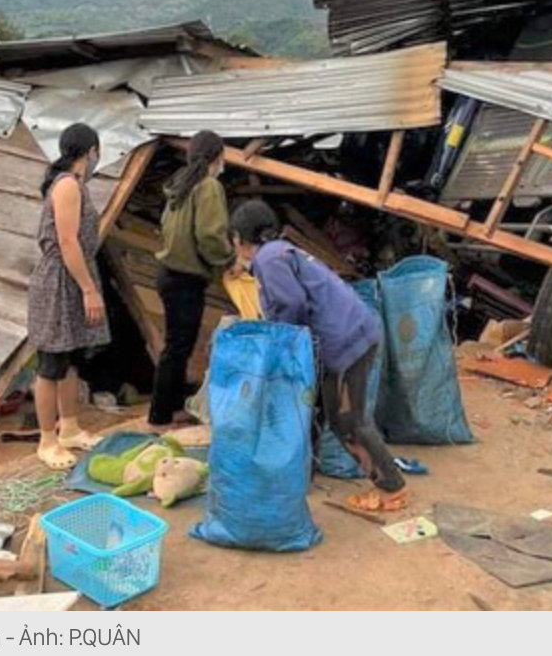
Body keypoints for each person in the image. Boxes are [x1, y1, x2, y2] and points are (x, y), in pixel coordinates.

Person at [230, 199, 408, 512]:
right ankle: (300, 478)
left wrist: (283, 347)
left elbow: (291, 304)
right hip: (351, 332)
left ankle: (392, 486)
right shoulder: (281, 250)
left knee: (347, 422)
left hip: (345, 344)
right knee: (313, 411)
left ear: (238, 238)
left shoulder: (269, 260)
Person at [27, 123, 109, 470]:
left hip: (73, 276)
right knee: (52, 363)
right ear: (91, 151)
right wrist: (89, 288)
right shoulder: (67, 186)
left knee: (72, 355)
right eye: (97, 152)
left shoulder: (74, 185)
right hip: (60, 281)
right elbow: (67, 242)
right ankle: (47, 439)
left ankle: (70, 427)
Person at [151, 130, 235, 425]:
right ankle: (161, 415)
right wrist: (228, 260)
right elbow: (210, 233)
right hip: (186, 278)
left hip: (168, 274)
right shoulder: (208, 186)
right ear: (217, 156)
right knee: (178, 347)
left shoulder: (180, 184)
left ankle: (170, 407)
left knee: (176, 345)